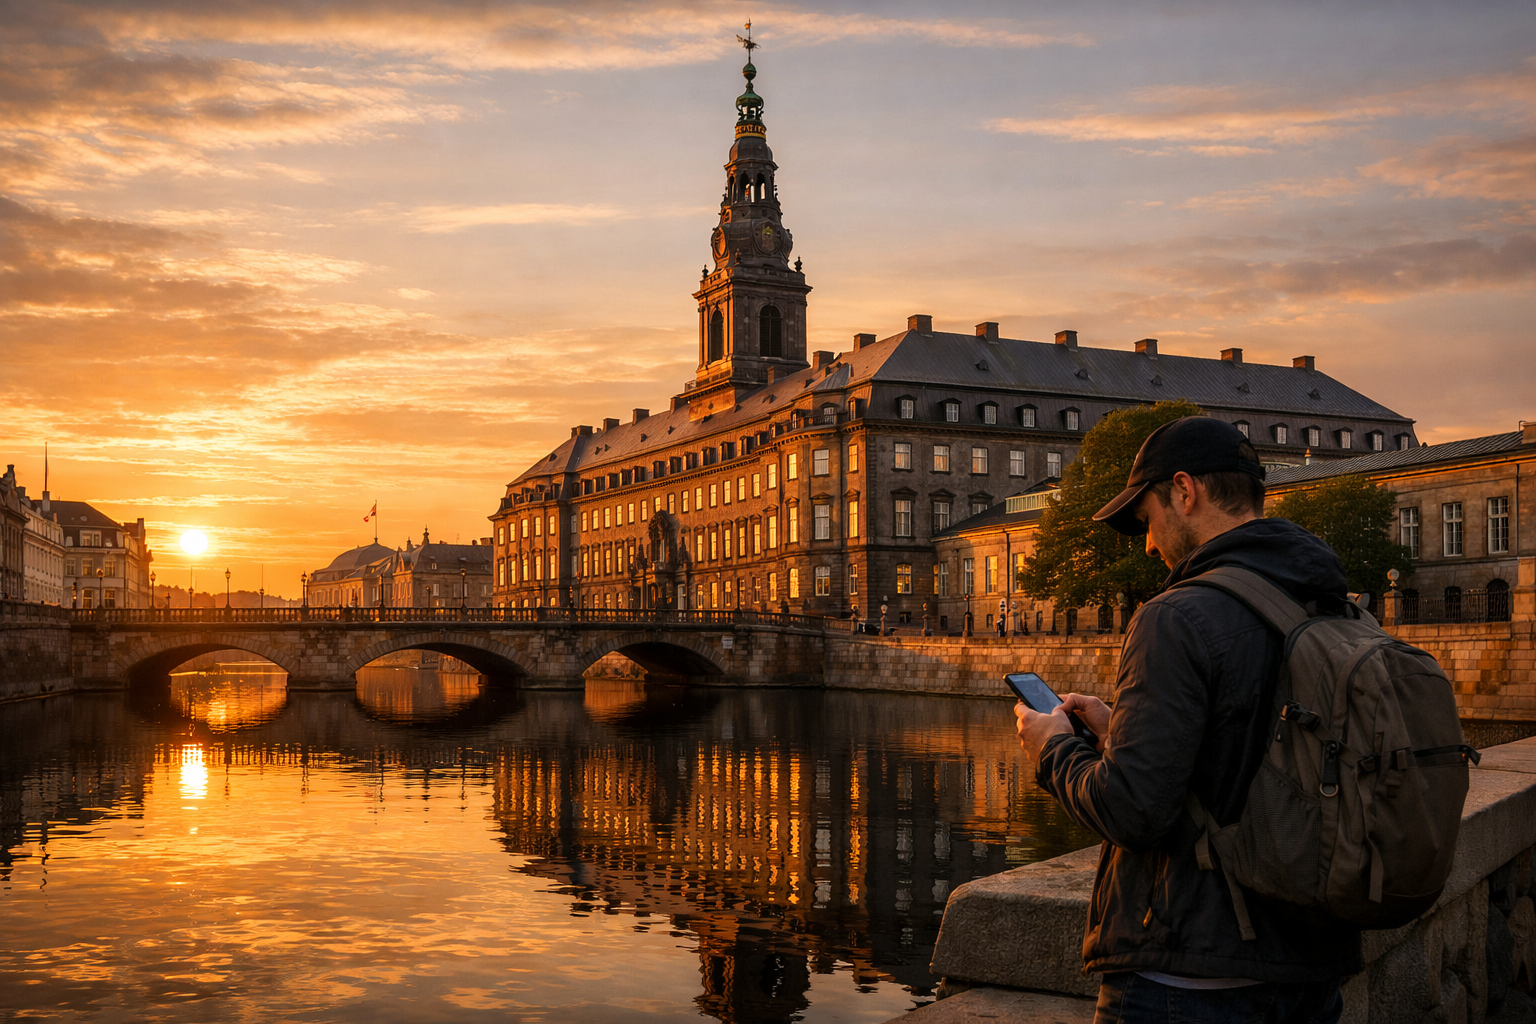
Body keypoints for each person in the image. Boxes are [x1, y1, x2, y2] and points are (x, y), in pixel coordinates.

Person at [1015, 416, 1359, 1024]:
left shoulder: (1176, 616)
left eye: (1147, 519)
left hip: (1189, 974)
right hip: (1312, 964)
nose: (1147, 544)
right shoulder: (1331, 602)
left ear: (1184, 491)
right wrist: (1120, 725)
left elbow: (1133, 811)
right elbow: (1254, 745)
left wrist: (1054, 749)